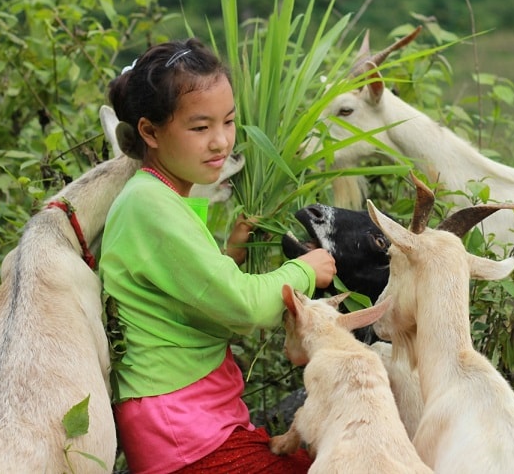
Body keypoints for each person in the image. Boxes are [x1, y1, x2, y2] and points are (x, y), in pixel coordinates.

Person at [99, 38, 337, 473]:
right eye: (199, 127)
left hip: (196, 418)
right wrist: (305, 270)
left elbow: (190, 300)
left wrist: (230, 255)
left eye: (228, 122)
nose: (220, 142)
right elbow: (242, 309)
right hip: (181, 431)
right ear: (150, 132)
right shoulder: (147, 205)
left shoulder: (164, 197)